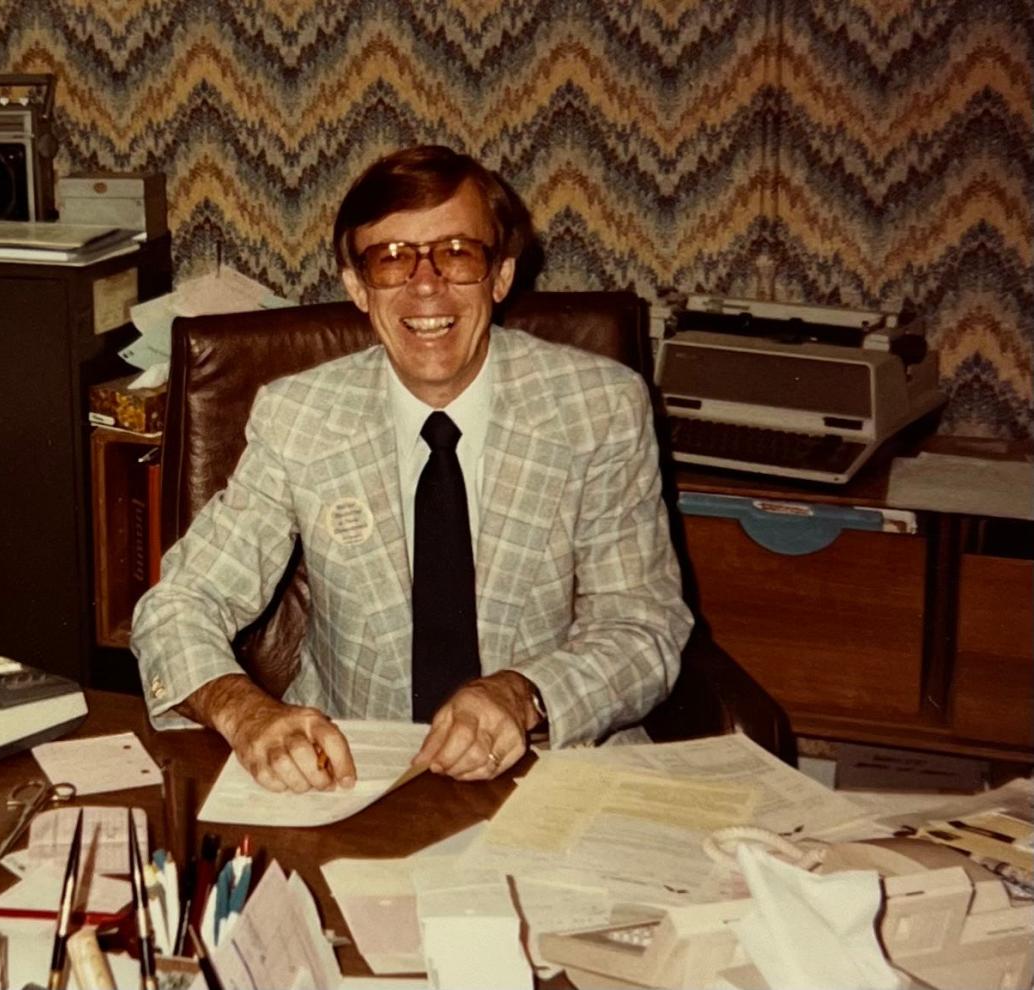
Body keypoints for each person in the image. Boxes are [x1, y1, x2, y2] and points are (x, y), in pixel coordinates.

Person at [131, 145, 692, 793]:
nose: (426, 285)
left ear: (501, 274)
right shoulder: (301, 415)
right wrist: (247, 710)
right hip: (355, 770)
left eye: (456, 252)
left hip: (553, 766)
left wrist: (522, 696)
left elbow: (643, 624)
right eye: (391, 259)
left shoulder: (598, 407)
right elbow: (181, 602)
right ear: (357, 287)